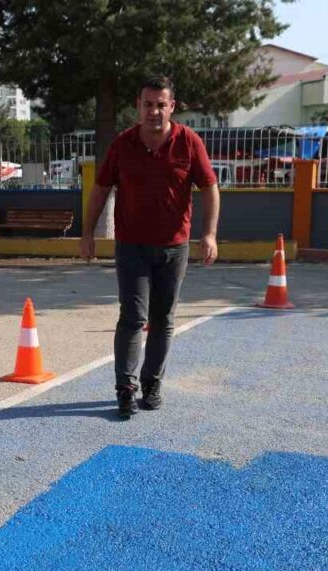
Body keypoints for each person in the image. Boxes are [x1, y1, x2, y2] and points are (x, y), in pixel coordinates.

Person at [79, 75, 220, 420]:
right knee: (132, 317)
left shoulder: (189, 143)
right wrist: (88, 233)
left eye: (161, 104)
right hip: (132, 247)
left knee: (162, 319)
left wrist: (210, 234)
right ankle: (125, 389)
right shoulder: (122, 144)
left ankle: (152, 384)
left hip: (174, 248)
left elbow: (210, 188)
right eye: (148, 104)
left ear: (172, 107)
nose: (154, 111)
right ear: (138, 107)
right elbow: (100, 190)